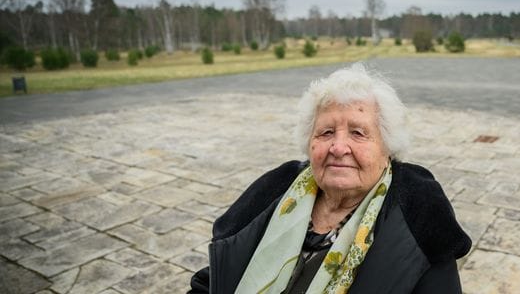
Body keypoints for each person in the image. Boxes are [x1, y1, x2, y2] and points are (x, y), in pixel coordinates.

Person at [189, 63, 471, 293]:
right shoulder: (272, 194)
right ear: (309, 143)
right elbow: (212, 282)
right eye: (325, 133)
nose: (338, 147)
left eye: (358, 133)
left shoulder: (421, 221)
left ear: (387, 148)